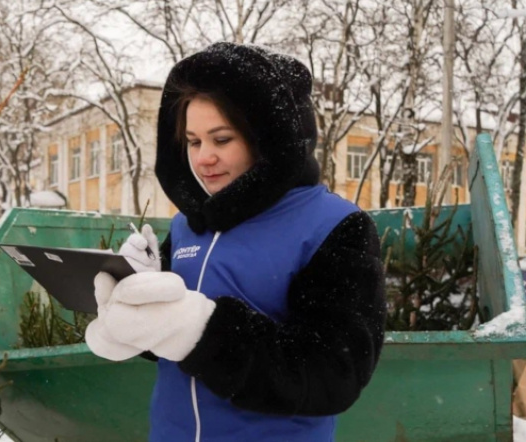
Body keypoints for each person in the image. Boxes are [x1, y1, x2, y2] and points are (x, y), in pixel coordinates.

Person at [85, 42, 387, 441]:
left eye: (221, 139)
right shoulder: (186, 228)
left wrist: (202, 330)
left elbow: (333, 373)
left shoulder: (333, 226)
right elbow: (172, 343)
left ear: (266, 140)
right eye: (193, 142)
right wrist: (130, 308)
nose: (203, 157)